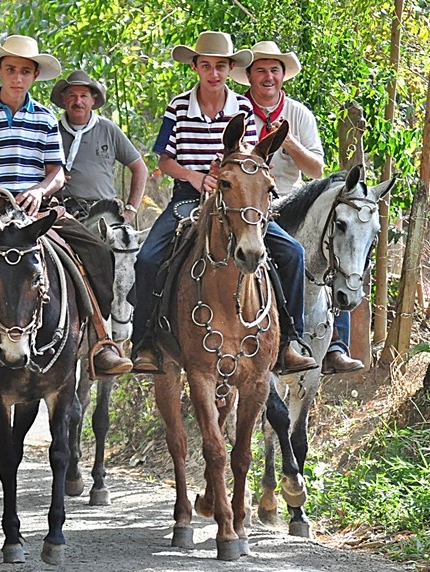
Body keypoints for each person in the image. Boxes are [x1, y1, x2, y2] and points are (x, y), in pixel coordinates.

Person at [0, 35, 132, 393]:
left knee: (96, 254)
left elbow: (57, 172)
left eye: (24, 71)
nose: (17, 77)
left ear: (34, 75)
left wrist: (39, 191)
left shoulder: (46, 119)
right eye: (11, 70)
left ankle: (100, 340)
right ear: (0, 71)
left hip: (37, 211)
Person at [130, 30, 317, 375]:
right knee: (147, 258)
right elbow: (164, 161)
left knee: (292, 252)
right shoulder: (178, 105)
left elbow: (244, 154)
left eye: (220, 66)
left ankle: (291, 340)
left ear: (229, 68)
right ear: (196, 68)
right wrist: (196, 176)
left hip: (236, 196)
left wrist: (227, 170)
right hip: (189, 195)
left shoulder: (242, 106)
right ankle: (145, 343)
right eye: (206, 66)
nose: (213, 74)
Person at [234, 41, 361, 374]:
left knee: (338, 244)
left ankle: (334, 345)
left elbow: (316, 170)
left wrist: (287, 140)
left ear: (283, 76)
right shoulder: (237, 109)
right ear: (248, 76)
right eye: (260, 70)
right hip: (250, 201)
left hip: (295, 200)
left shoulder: (299, 113)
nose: (268, 77)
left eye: (274, 70)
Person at [50, 69, 148, 224]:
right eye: (72, 96)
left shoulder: (108, 129)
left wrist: (130, 210)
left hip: (105, 211)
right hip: (62, 211)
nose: (78, 102)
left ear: (93, 101)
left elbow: (140, 168)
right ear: (63, 100)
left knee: (131, 246)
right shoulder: (51, 130)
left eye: (83, 96)